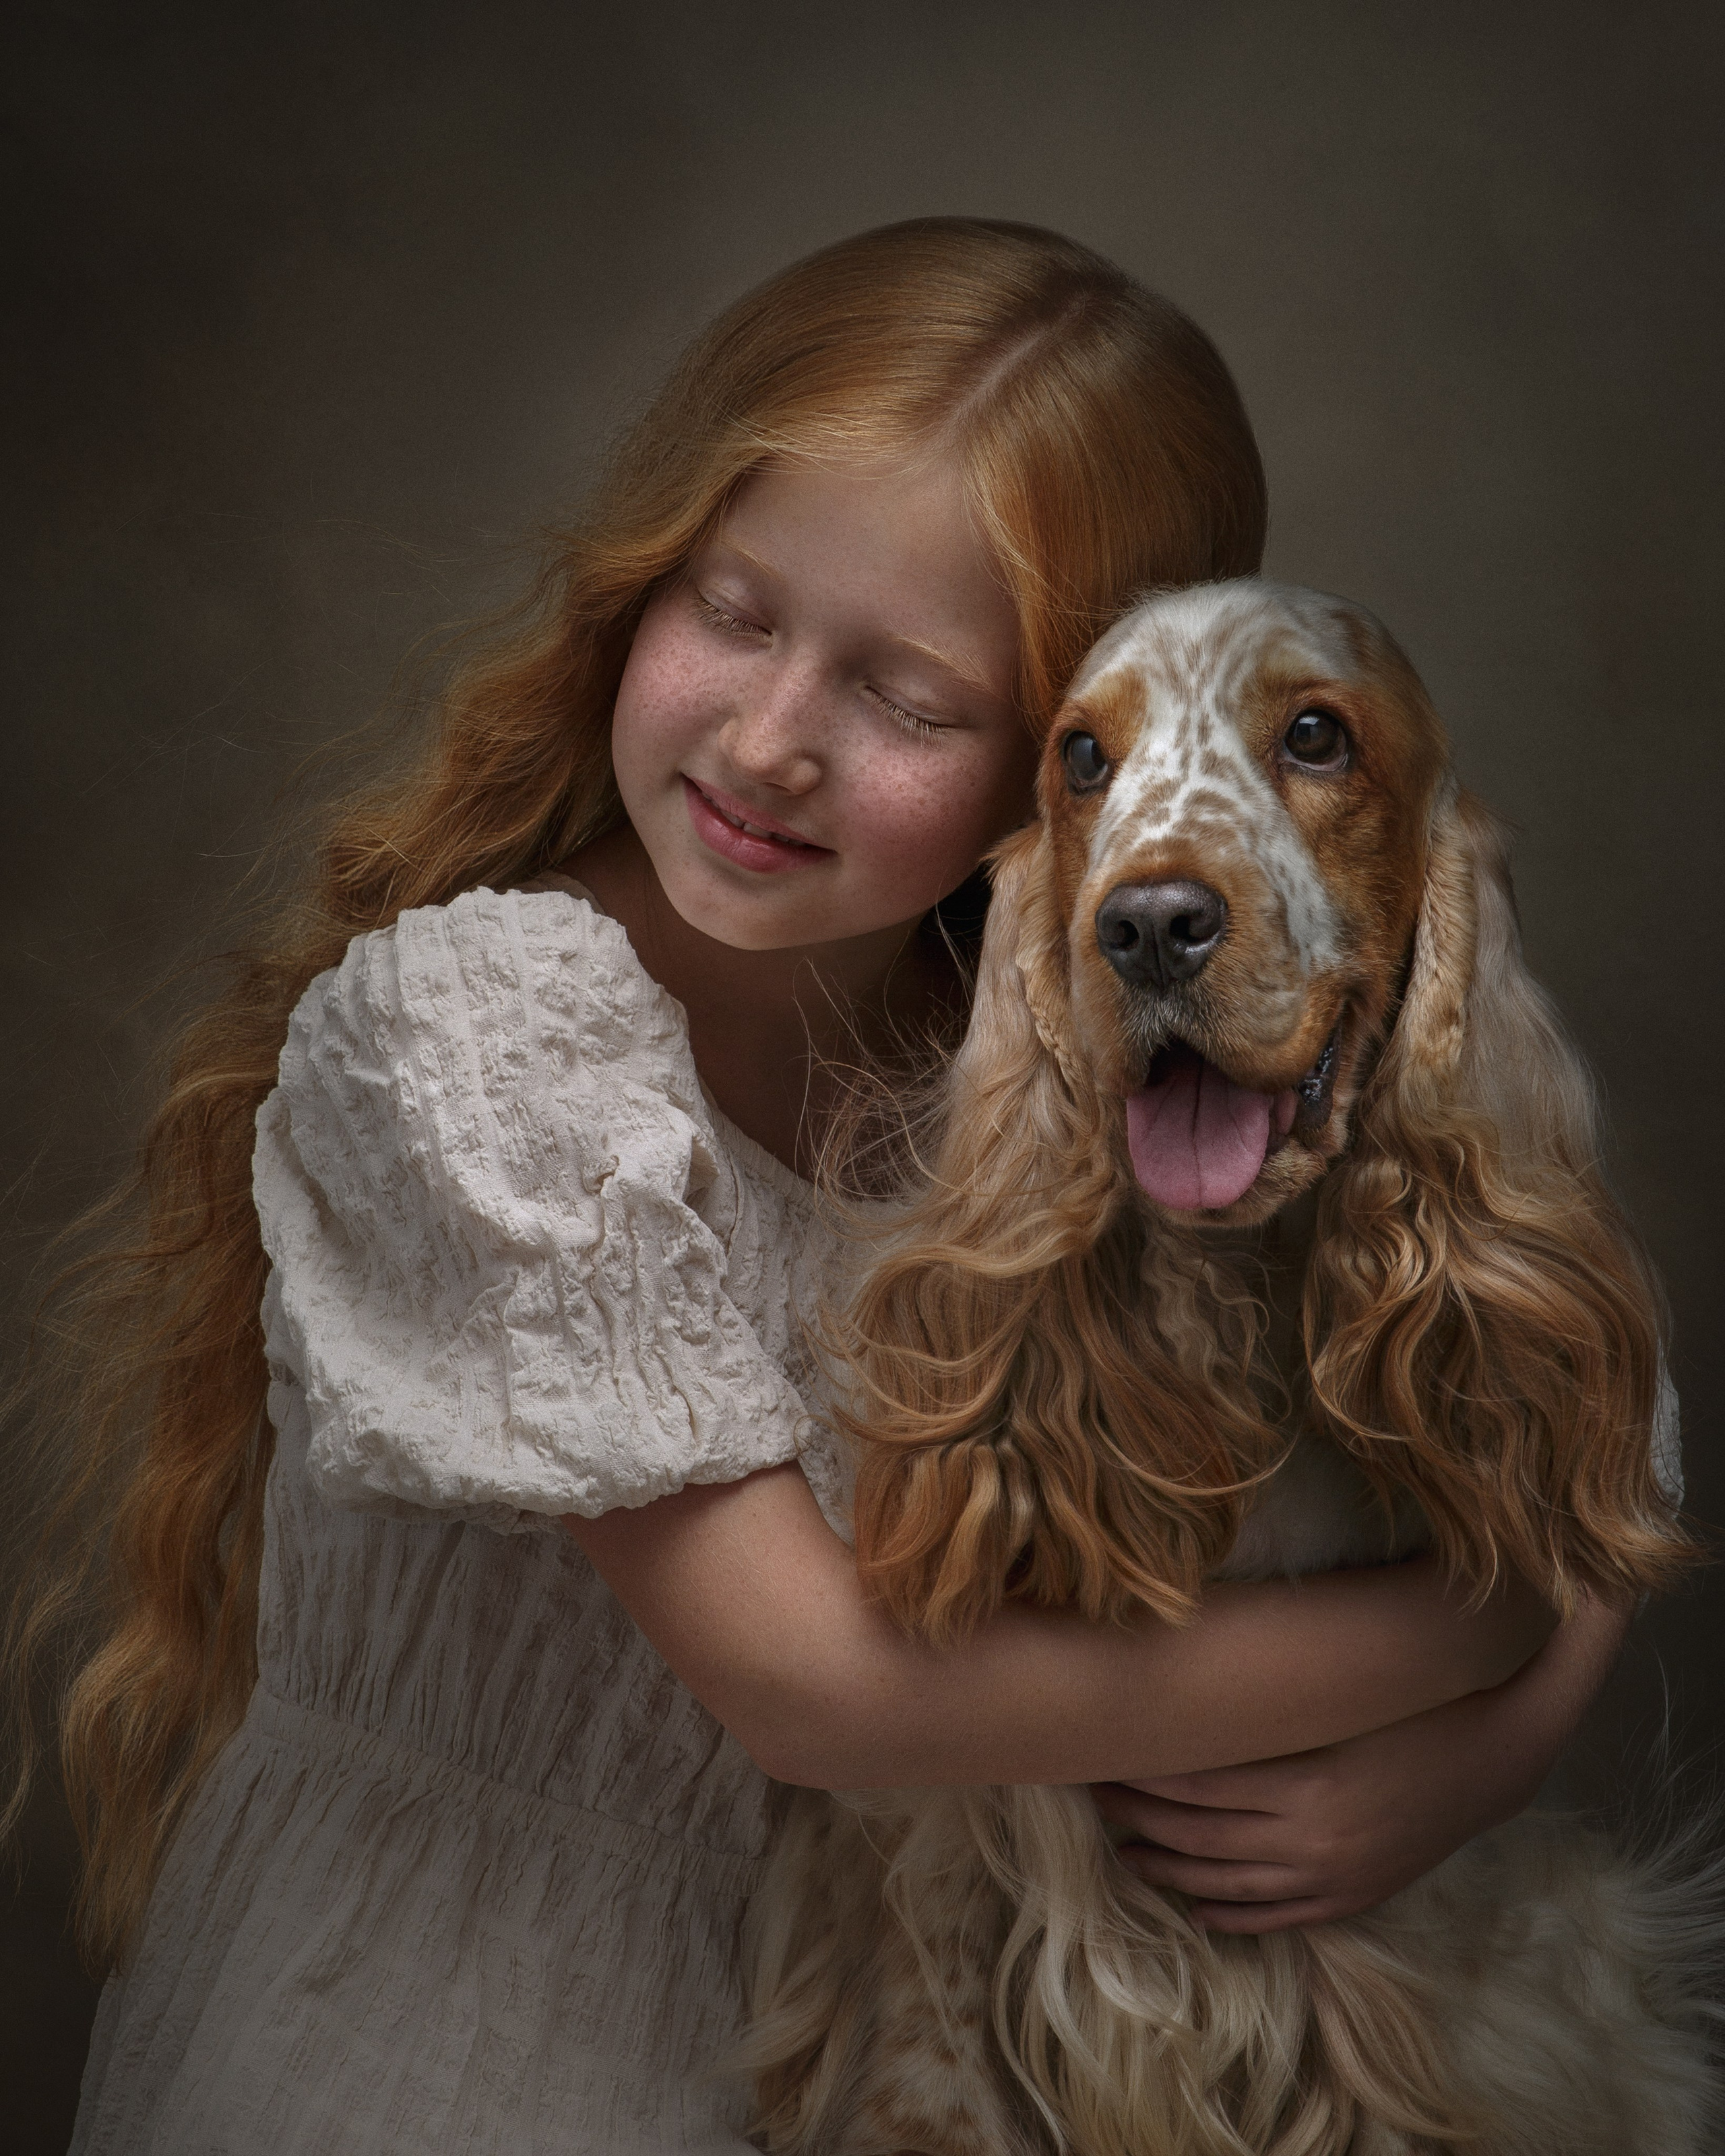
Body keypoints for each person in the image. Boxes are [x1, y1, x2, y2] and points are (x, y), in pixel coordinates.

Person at [15, 219, 1631, 2155]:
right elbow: (821, 1699)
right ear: (642, 583)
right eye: (735, 608)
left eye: (912, 700)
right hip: (442, 2054)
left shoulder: (1046, 1057)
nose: (775, 741)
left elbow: (1595, 1405)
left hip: (843, 2063)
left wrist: (1489, 1754)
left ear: (1072, 772)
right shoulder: (478, 1037)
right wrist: (1471, 1639)